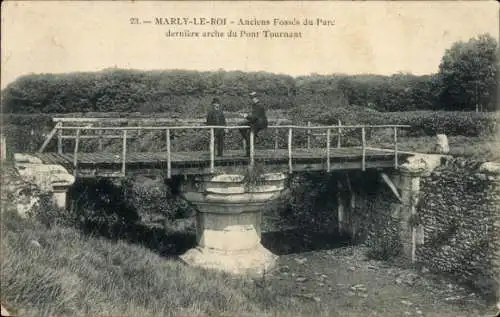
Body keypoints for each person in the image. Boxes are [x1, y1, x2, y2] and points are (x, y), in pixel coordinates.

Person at [239, 92, 268, 157]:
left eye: (254, 98)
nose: (253, 99)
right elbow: (253, 117)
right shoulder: (255, 105)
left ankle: (249, 154)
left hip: (259, 123)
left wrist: (246, 116)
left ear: (257, 98)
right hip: (256, 121)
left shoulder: (259, 105)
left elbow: (254, 117)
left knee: (249, 134)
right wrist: (247, 116)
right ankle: (250, 138)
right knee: (241, 126)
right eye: (252, 98)